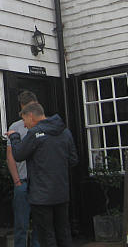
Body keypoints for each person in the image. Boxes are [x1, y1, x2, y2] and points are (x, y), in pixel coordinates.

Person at [7, 102, 78, 247]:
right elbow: (73, 160)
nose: (25, 125)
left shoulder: (35, 134)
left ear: (31, 116)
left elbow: (19, 154)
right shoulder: (65, 132)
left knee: (46, 236)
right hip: (61, 192)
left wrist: (14, 137)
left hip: (41, 195)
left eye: (25, 120)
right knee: (63, 232)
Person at [7, 90, 41, 247]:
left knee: (40, 225)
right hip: (23, 180)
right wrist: (17, 181)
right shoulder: (16, 127)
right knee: (21, 224)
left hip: (40, 183)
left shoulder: (43, 125)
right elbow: (10, 157)